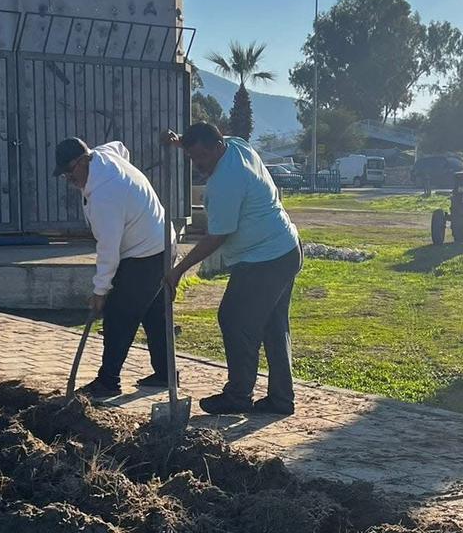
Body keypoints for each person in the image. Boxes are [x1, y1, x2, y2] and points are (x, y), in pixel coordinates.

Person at [163, 123, 303, 417]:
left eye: (201, 156)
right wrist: (180, 144)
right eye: (191, 157)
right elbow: (208, 139)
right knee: (274, 326)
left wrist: (179, 269)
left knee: (234, 319)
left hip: (264, 259)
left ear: (216, 148)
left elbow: (217, 236)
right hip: (285, 248)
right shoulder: (235, 144)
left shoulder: (226, 180)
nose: (198, 164)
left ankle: (238, 396)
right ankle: (280, 400)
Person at [52, 136, 171, 399]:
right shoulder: (103, 156)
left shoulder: (106, 196)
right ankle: (165, 373)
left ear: (84, 160)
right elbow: (120, 147)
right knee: (153, 312)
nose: (69, 179)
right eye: (63, 175)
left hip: (146, 252)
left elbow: (108, 250)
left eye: (70, 172)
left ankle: (108, 382)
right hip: (160, 241)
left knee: (119, 315)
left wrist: (100, 291)